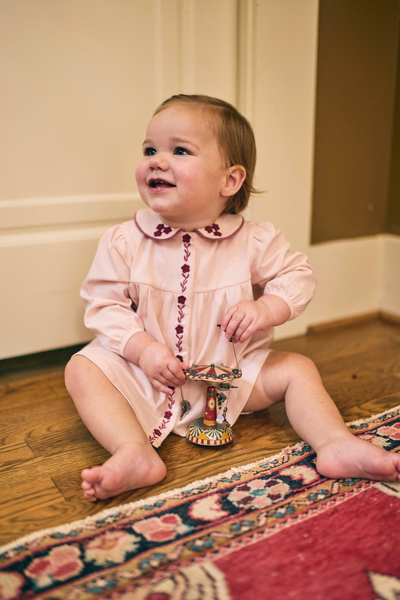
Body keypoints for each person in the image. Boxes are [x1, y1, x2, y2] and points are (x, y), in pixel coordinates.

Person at [65, 94, 400, 502]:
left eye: (179, 150)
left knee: (298, 368)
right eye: (150, 149)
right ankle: (133, 452)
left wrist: (266, 307)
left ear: (230, 180)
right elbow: (105, 305)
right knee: (82, 368)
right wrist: (143, 350)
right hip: (148, 375)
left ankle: (334, 443)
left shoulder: (254, 240)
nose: (156, 160)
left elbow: (298, 276)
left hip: (232, 377)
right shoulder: (124, 240)